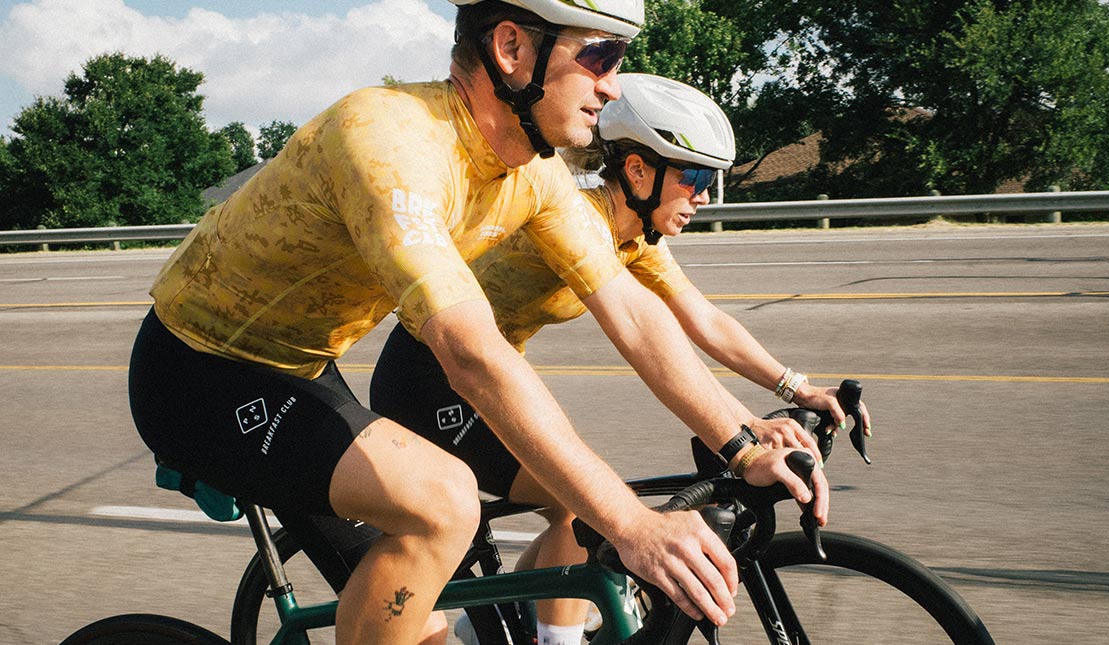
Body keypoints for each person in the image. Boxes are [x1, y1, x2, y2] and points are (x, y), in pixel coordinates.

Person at [126, 2, 824, 643]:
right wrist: (631, 523)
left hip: (303, 367)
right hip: (194, 370)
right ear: (513, 47)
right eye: (600, 57)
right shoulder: (388, 139)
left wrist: (742, 443)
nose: (613, 85)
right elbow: (470, 354)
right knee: (444, 502)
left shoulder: (535, 177)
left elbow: (638, 320)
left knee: (428, 620)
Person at [371, 73, 870, 643]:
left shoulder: (633, 238)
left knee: (581, 506)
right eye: (695, 176)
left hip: (482, 377)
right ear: (637, 171)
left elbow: (704, 322)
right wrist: (743, 437)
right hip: (428, 380)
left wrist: (796, 389)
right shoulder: (578, 221)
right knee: (578, 502)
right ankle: (552, 638)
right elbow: (638, 335)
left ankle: (501, 620)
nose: (704, 195)